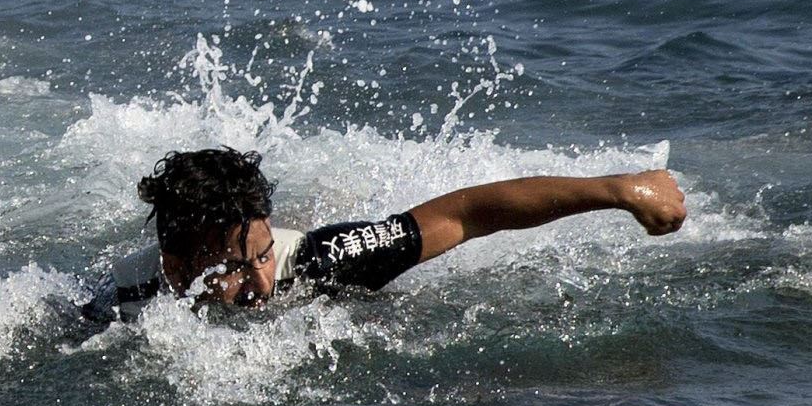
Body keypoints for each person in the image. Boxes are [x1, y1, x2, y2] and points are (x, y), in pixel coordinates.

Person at [90, 147, 688, 316]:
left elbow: (467, 211)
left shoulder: (319, 261)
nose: (258, 283)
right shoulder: (123, 297)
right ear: (176, 269)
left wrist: (616, 191)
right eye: (231, 270)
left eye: (260, 256)